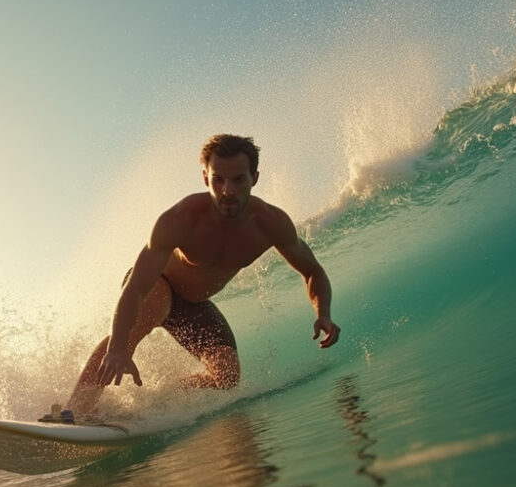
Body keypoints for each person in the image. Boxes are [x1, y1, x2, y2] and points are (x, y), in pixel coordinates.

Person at [44, 134, 341, 423]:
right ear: (205, 178)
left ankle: (157, 403)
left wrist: (323, 313)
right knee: (138, 324)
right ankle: (74, 412)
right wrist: (119, 347)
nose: (227, 190)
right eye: (218, 179)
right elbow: (136, 287)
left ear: (255, 178)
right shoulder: (181, 218)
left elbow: (312, 271)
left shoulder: (271, 223)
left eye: (238, 179)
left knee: (226, 375)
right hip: (158, 284)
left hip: (193, 303)